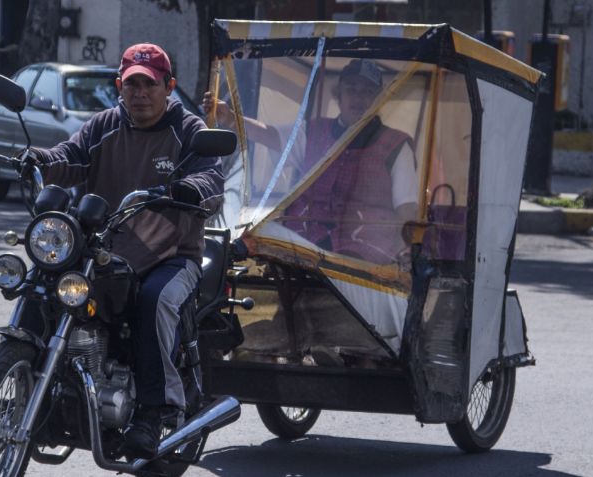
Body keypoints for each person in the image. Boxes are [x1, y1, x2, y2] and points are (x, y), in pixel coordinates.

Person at [24, 43, 224, 459]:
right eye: (132, 83)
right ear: (119, 85)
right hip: (104, 247)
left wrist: (191, 188)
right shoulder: (104, 126)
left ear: (168, 87)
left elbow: (211, 177)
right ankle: (24, 383)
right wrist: (38, 159)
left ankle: (154, 411)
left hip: (170, 254)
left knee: (152, 302)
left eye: (149, 84)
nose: (140, 93)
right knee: (42, 283)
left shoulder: (187, 131)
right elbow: (70, 156)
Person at [203, 58, 417, 264]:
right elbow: (269, 135)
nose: (358, 98)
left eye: (367, 92)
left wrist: (404, 250)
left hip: (366, 253)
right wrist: (230, 118)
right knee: (254, 239)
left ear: (378, 99)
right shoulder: (313, 132)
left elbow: (406, 209)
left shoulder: (396, 145)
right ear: (339, 94)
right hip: (305, 243)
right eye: (352, 89)